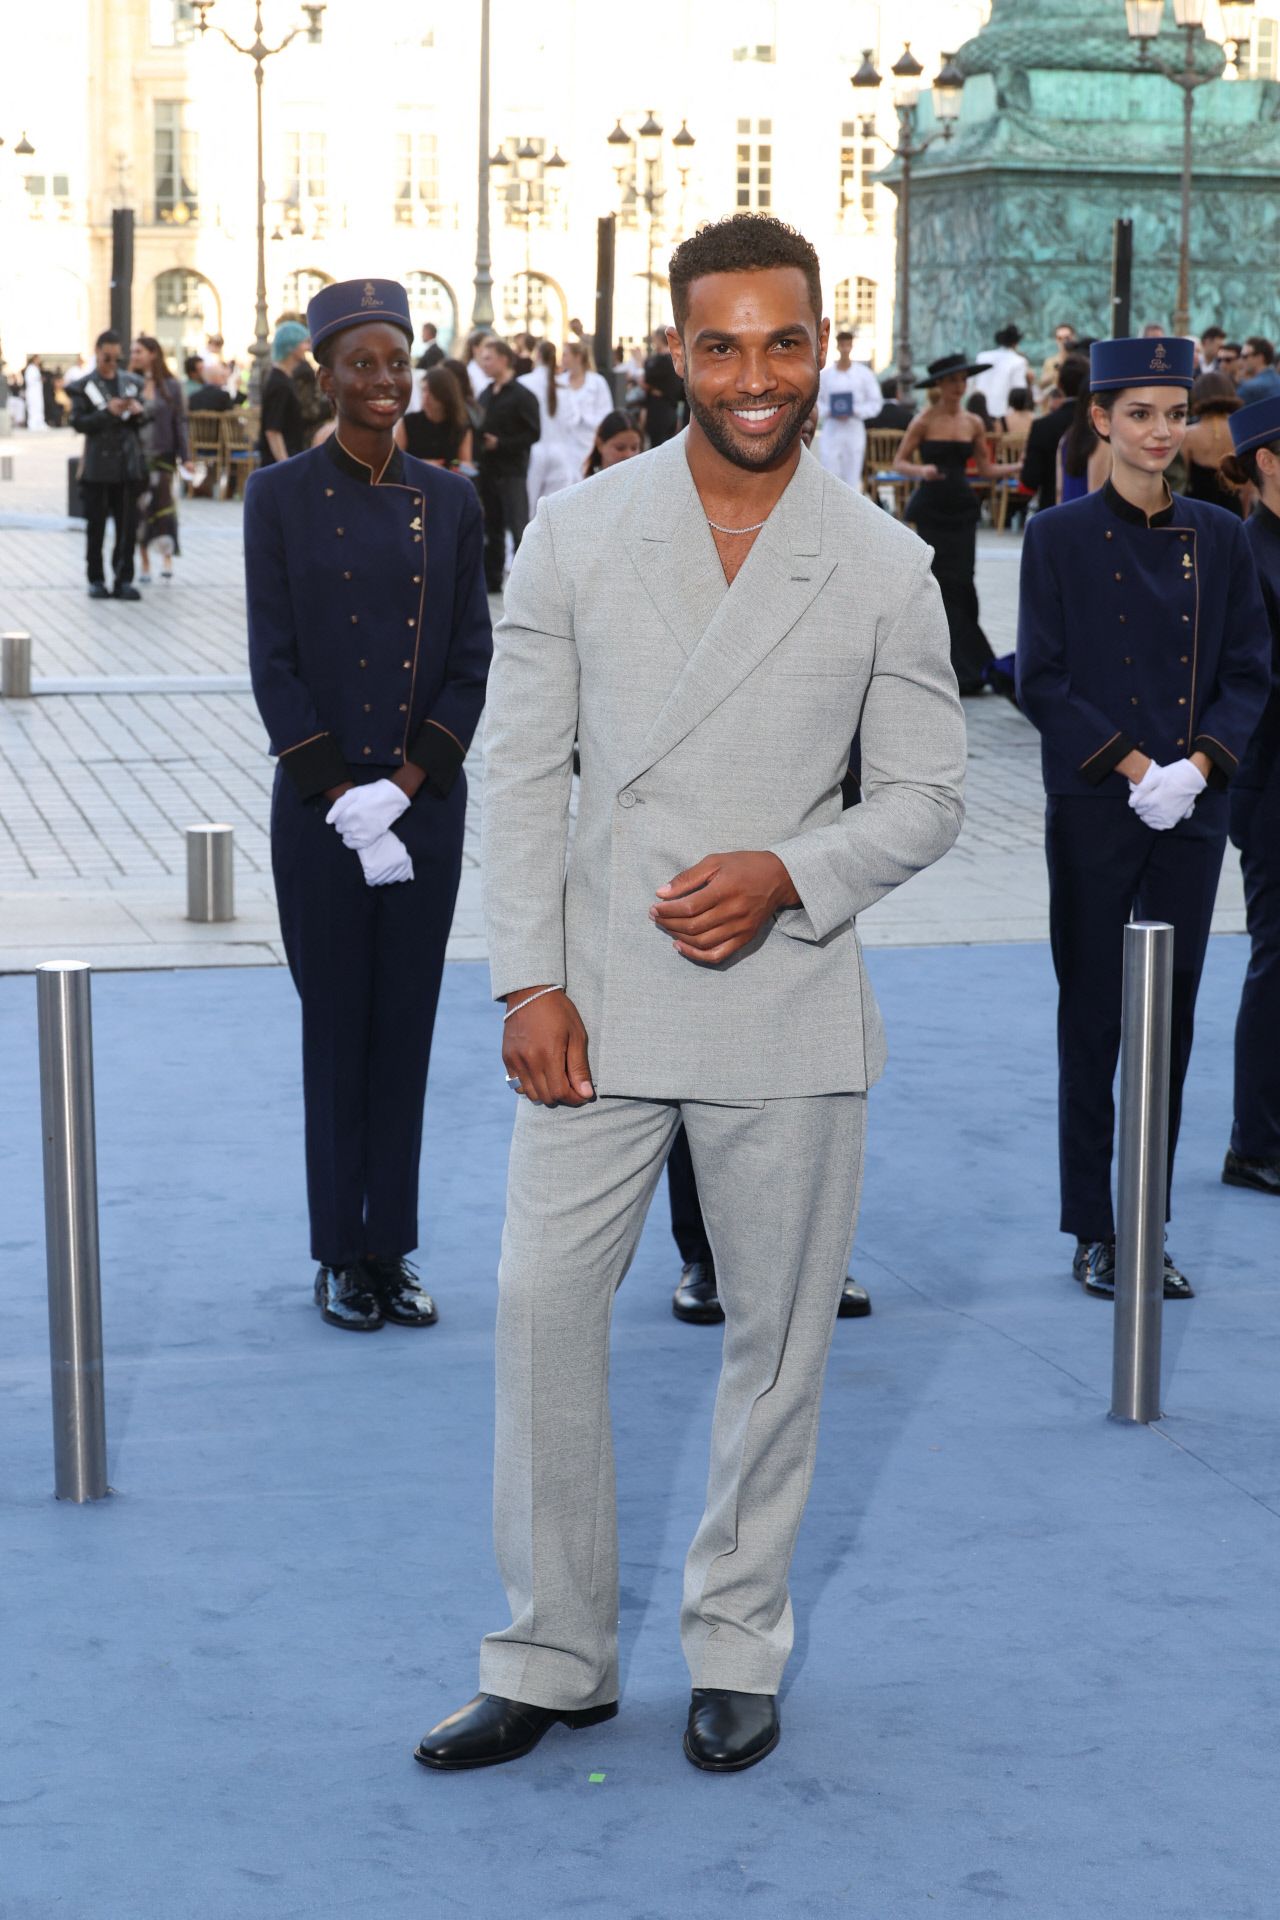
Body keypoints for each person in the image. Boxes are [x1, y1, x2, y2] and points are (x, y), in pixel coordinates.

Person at [416, 211, 964, 1778]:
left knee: (775, 1345)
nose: (753, 375)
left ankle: (737, 1641)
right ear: (674, 351)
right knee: (538, 1318)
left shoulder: (881, 563)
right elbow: (519, 770)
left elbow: (927, 798)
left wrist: (790, 873)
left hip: (783, 997)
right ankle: (553, 1654)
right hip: (591, 998)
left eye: (783, 342)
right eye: (719, 344)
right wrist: (528, 977)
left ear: (820, 350)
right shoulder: (582, 534)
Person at [244, 278, 492, 1335]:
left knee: (406, 1032)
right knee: (336, 1029)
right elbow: (275, 660)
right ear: (323, 372)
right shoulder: (279, 496)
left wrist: (408, 782)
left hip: (421, 809)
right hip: (321, 813)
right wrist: (337, 792)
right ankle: (339, 1253)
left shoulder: (455, 496)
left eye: (397, 360)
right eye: (362, 363)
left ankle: (392, 1247)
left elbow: (470, 660)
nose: (384, 380)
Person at [1015, 336, 1270, 1300]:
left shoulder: (1223, 535)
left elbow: (1250, 668)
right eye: (1140, 414)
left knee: (1170, 1026)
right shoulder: (1058, 537)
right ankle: (1092, 1225)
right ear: (1103, 420)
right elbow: (1040, 674)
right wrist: (1134, 767)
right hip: (1096, 803)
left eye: (1174, 414)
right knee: (1092, 1017)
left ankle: (1145, 1227)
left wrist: (1198, 767)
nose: (1160, 432)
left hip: (1192, 812)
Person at [1219, 397, 1280, 1197]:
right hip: (1269, 787)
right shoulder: (1245, 552)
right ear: (1267, 459)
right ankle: (1254, 1141)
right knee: (1278, 958)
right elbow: (1247, 678)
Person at [894, 353, 1021, 695]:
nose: (959, 386)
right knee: (938, 582)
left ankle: (971, 665)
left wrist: (1017, 468)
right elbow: (900, 461)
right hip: (933, 506)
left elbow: (985, 469)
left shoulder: (973, 423)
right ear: (940, 385)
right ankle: (943, 663)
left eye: (963, 380)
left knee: (964, 581)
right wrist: (923, 471)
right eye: (953, 380)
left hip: (962, 508)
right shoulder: (923, 420)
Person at [68, 329, 148, 602]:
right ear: (98, 353)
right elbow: (78, 422)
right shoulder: (83, 386)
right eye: (107, 357)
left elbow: (147, 417)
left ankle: (123, 578)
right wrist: (106, 412)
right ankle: (96, 579)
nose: (112, 363)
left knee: (127, 528)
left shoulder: (131, 383)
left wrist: (137, 411)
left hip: (127, 466)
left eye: (117, 358)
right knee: (96, 528)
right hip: (97, 467)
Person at [475, 336, 540, 591]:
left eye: (488, 358)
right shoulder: (486, 393)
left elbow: (533, 433)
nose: (484, 364)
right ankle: (492, 581)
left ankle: (527, 584)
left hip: (512, 471)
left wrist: (501, 443)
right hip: (488, 471)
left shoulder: (522, 395)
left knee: (518, 526)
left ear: (503, 359)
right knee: (492, 527)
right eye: (482, 359)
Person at [130, 334, 188, 582]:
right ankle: (143, 561)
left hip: (163, 455)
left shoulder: (171, 386)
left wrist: (185, 456)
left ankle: (166, 558)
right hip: (137, 456)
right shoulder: (130, 384)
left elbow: (180, 423)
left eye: (138, 351)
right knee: (139, 509)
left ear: (153, 353)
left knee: (164, 508)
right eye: (133, 352)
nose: (134, 356)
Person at [815, 328, 882, 494]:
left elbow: (875, 402)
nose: (845, 348)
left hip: (854, 428)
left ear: (852, 346)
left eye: (848, 344)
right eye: (842, 344)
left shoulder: (864, 374)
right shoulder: (826, 375)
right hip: (832, 428)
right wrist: (830, 411)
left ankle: (850, 513)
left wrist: (855, 410)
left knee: (852, 472)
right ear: (837, 346)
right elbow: (816, 401)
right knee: (829, 469)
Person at [1020, 354, 1086, 514]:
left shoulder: (1042, 426)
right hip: (1092, 512)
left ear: (1059, 384)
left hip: (1051, 510)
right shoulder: (1100, 424)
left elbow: (1030, 479)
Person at [518, 341, 578, 505]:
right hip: (561, 453)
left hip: (534, 453)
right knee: (555, 509)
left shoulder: (523, 382)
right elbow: (572, 420)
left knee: (531, 512)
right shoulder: (564, 386)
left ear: (537, 355)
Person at [1182, 371, 1243, 517]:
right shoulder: (1241, 432)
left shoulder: (1188, 435)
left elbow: (1182, 480)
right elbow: (1247, 487)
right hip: (1233, 510)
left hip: (1198, 510)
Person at [554, 341, 614, 475]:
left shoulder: (597, 382)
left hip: (589, 443)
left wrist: (585, 420)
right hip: (564, 445)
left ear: (578, 357)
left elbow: (606, 414)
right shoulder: (558, 382)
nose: (562, 359)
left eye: (565, 355)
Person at [398, 365, 473, 467]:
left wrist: (451, 465)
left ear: (444, 394)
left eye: (431, 391)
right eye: (424, 390)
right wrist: (423, 464)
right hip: (412, 479)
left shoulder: (460, 427)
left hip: (446, 479)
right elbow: (396, 459)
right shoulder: (408, 422)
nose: (426, 396)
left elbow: (465, 464)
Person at [258, 322, 309, 466]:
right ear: (291, 346)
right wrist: (286, 465)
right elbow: (273, 430)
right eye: (304, 343)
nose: (307, 347)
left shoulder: (283, 379)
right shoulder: (279, 383)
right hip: (279, 462)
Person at [1057, 380, 1111, 503]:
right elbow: (1097, 496)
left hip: (1066, 515)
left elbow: (1059, 490)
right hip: (1088, 518)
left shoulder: (1066, 438)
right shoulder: (1101, 441)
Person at [971, 324, 1031, 424]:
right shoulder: (1019, 361)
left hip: (980, 414)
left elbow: (972, 385)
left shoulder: (982, 356)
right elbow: (1018, 393)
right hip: (1003, 417)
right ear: (1016, 343)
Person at [643, 326, 684, 445]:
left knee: (657, 445)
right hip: (672, 410)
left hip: (658, 410)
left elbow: (646, 380)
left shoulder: (659, 361)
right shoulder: (676, 360)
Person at [583, 408, 642, 475]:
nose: (628, 455)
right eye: (620, 448)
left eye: (634, 448)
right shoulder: (587, 483)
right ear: (600, 445)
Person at [1236, 336, 1280, 405]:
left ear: (1260, 357)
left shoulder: (1249, 388)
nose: (1240, 360)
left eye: (1245, 356)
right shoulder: (1277, 381)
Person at [1038, 323, 1078, 395]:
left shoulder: (1080, 360)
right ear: (1056, 340)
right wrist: (1055, 373)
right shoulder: (1050, 362)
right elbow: (1041, 385)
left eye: (1067, 338)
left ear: (1073, 338)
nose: (1063, 341)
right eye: (1059, 338)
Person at [23, 355, 47, 431]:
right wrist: (39, 379)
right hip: (32, 393)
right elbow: (29, 380)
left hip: (37, 393)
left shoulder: (36, 368)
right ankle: (32, 424)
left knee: (39, 408)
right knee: (32, 408)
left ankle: (40, 423)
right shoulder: (30, 368)